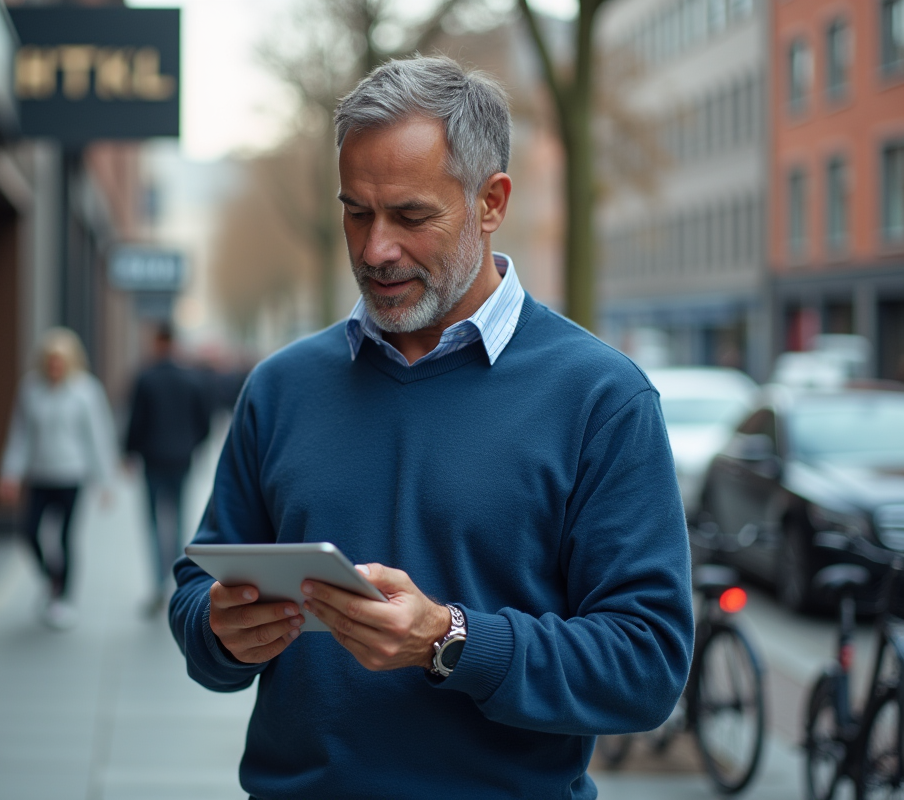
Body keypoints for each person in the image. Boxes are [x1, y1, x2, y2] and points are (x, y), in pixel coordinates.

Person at [169, 56, 694, 798]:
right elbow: (199, 589)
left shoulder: (601, 398)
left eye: (411, 217)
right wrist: (220, 631)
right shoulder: (281, 388)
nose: (376, 249)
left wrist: (452, 641)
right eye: (357, 212)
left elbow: (647, 666)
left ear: (491, 201)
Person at [0, 327, 117, 630]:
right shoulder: (31, 388)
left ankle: (63, 598)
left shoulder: (86, 390)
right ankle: (52, 578)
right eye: (50, 361)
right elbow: (20, 434)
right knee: (28, 532)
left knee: (65, 538)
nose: (55, 367)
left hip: (71, 475)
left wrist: (106, 481)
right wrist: (10, 473)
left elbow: (98, 437)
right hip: (39, 475)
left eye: (60, 361)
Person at [124, 322, 212, 616]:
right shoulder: (191, 379)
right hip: (181, 459)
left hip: (153, 460)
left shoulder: (145, 378)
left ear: (156, 342)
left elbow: (135, 421)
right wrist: (191, 446)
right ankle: (178, 583)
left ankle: (157, 586)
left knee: (152, 524)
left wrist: (128, 452)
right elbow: (205, 423)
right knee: (177, 522)